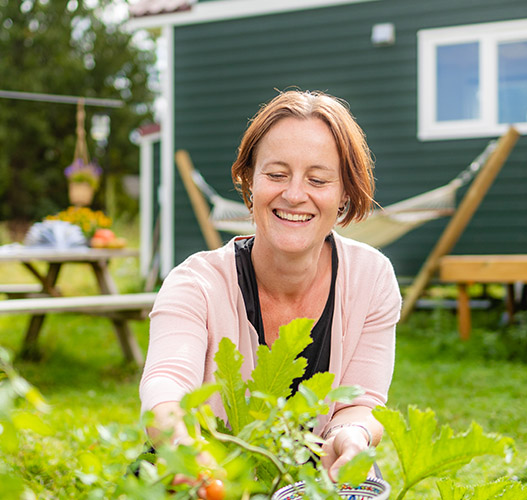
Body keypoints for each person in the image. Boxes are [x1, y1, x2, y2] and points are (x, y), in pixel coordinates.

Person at [139, 90, 400, 481]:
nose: (294, 195)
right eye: (276, 175)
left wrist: (352, 436)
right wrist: (183, 447)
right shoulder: (194, 284)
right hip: (208, 469)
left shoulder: (372, 279)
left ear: (345, 192)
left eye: (318, 179)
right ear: (249, 182)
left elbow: (359, 404)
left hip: (315, 476)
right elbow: (167, 384)